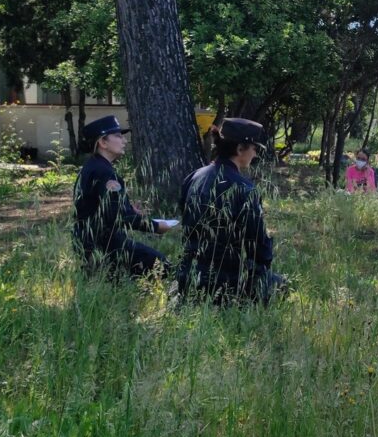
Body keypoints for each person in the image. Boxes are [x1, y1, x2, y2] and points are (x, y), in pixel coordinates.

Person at [178, 118, 286, 304]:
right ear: (240, 149)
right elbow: (258, 245)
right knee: (281, 285)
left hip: (187, 276)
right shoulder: (244, 189)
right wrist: (261, 270)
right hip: (224, 282)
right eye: (254, 148)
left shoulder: (194, 177)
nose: (255, 153)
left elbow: (183, 215)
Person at [72, 115, 172, 278]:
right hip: (104, 245)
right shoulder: (104, 172)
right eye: (118, 136)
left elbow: (101, 208)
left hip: (89, 242)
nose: (124, 141)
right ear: (103, 142)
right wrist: (156, 227)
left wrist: (129, 208)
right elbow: (119, 216)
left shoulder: (93, 166)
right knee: (163, 267)